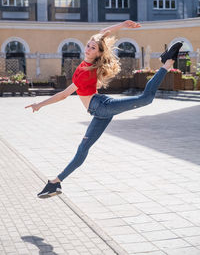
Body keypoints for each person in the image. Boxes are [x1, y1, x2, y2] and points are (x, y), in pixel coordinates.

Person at [25, 20, 182, 198]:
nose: (89, 48)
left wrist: (40, 104)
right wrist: (122, 25)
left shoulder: (85, 71)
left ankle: (166, 63)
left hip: (101, 107)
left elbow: (63, 95)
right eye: (88, 45)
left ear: (99, 52)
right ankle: (55, 183)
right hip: (99, 110)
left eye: (93, 48)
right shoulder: (85, 66)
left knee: (146, 99)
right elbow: (102, 32)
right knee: (83, 148)